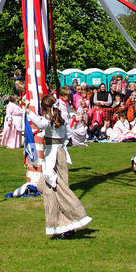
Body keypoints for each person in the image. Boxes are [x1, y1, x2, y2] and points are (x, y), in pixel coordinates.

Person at [29, 100, 92, 238]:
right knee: (46, 187)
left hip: (53, 155)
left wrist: (28, 111)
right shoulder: (60, 119)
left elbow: (40, 123)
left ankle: (71, 219)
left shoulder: (48, 120)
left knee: (55, 189)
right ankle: (65, 224)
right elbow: (67, 134)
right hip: (60, 153)